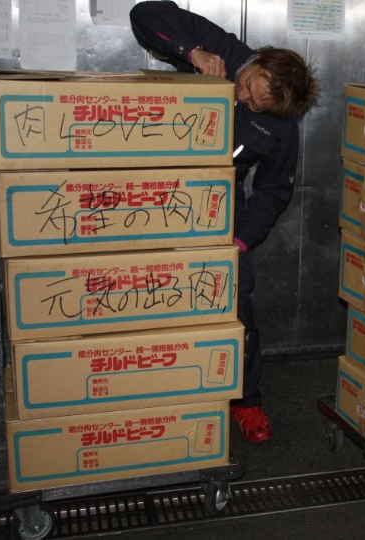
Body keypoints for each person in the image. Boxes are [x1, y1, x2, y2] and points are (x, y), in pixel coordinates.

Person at [131, 0, 318, 444]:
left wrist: (241, 241)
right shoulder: (220, 47)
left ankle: (246, 401)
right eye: (247, 87)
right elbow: (144, 14)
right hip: (153, 189)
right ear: (257, 60)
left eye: (256, 106)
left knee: (236, 298)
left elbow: (274, 190)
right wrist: (191, 51)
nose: (243, 100)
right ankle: (154, 388)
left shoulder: (281, 126)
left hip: (218, 202)